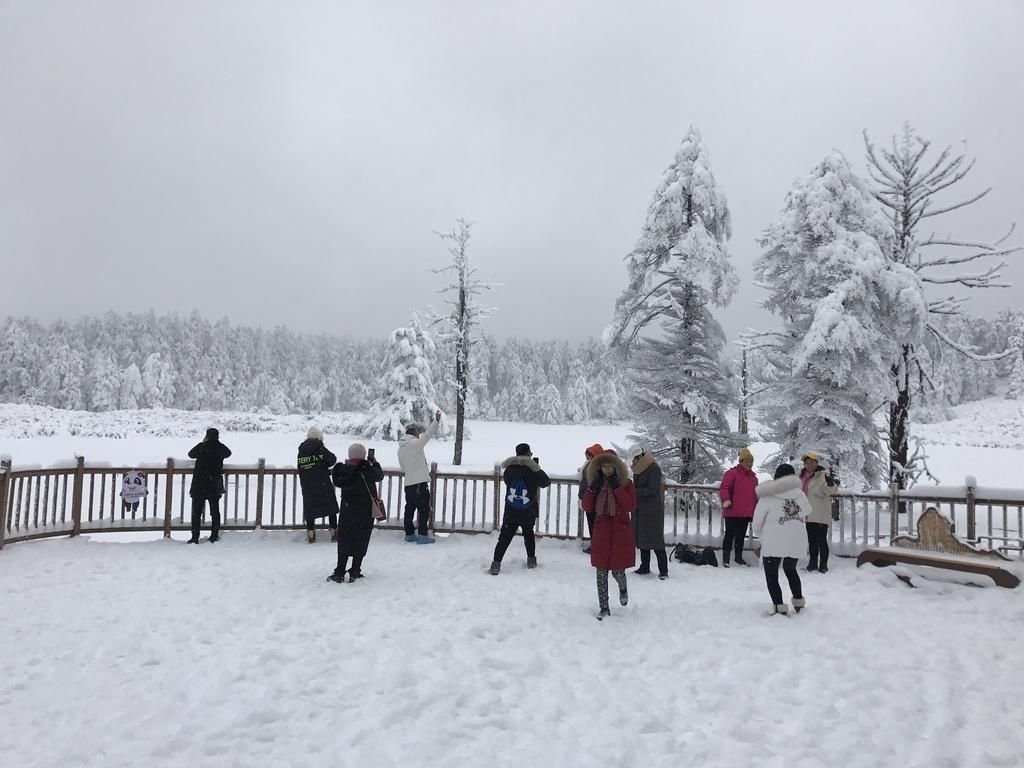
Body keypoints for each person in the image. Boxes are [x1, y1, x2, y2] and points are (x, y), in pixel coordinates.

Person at [582, 450, 636, 620]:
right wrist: (591, 489)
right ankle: (604, 607)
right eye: (603, 466)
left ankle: (623, 587)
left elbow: (629, 506)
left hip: (619, 532)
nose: (606, 469)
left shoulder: (626, 484)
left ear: (616, 467)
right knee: (601, 572)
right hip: (601, 532)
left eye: (609, 466)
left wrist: (617, 488)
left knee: (617, 571)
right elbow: (587, 507)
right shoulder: (596, 483)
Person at [752, 463, 811, 615]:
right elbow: (807, 510)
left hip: (774, 539)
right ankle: (798, 601)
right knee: (791, 569)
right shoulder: (800, 494)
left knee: (771, 573)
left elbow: (757, 520)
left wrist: (760, 535)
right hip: (797, 539)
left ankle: (779, 606)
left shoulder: (768, 495)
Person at [488, 443, 551, 575]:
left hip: (511, 509)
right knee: (528, 535)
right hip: (528, 509)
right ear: (528, 454)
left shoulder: (509, 470)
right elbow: (545, 482)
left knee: (504, 537)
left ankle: (496, 564)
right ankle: (531, 561)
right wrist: (536, 467)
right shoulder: (532, 470)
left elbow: (507, 481)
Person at [327, 443, 385, 583]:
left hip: (347, 512)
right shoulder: (367, 470)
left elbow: (337, 480)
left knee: (344, 540)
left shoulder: (343, 470)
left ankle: (340, 571)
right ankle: (355, 570)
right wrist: (374, 462)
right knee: (361, 540)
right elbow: (379, 476)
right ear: (364, 455)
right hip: (365, 512)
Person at [398, 410, 442, 544]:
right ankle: (423, 535)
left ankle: (409, 534)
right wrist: (437, 420)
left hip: (409, 484)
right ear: (415, 435)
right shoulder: (416, 444)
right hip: (420, 484)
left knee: (409, 509)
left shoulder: (400, 449)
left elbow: (403, 468)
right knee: (424, 510)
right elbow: (428, 434)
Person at [186, 428, 232, 544]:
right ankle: (214, 535)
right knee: (215, 512)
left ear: (206, 436)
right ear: (217, 436)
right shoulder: (220, 448)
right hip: (213, 485)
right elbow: (228, 453)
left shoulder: (202, 447)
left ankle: (195, 537)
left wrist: (203, 442)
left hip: (199, 484)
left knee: (196, 512)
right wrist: (217, 443)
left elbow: (191, 454)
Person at [297, 426, 339, 543]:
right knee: (330, 507)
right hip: (323, 483)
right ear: (319, 438)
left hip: (307, 485)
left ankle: (311, 532)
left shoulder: (301, 451)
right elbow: (332, 460)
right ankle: (334, 530)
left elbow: (301, 468)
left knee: (310, 508)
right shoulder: (320, 448)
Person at [630, 449, 668, 579]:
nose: (633, 461)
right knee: (642, 539)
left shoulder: (653, 468)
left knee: (656, 541)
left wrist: (634, 492)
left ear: (640, 457)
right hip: (640, 509)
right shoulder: (638, 468)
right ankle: (644, 566)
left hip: (652, 510)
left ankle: (663, 570)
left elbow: (652, 489)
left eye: (634, 458)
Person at [719, 447, 759, 567]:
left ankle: (738, 557)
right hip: (732, 510)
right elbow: (724, 487)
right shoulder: (731, 473)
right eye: (747, 461)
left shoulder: (754, 478)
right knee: (729, 535)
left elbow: (755, 495)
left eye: (751, 461)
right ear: (741, 461)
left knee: (741, 536)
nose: (749, 463)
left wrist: (755, 510)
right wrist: (725, 500)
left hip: (746, 512)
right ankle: (725, 558)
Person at [799, 451, 839, 573]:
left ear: (817, 463)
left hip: (820, 513)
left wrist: (831, 484)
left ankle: (823, 565)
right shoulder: (802, 477)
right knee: (812, 541)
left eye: (812, 462)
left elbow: (832, 490)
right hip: (809, 513)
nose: (809, 465)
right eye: (807, 463)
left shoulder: (822, 476)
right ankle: (812, 564)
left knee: (821, 540)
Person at [578, 443, 605, 554]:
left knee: (593, 523)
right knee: (594, 523)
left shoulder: (594, 467)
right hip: (592, 498)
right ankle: (597, 544)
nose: (587, 457)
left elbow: (588, 482)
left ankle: (596, 545)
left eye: (589, 455)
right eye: (587, 454)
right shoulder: (595, 465)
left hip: (592, 499)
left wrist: (583, 495)